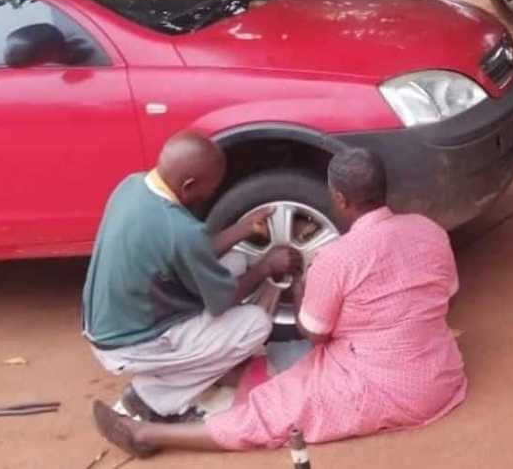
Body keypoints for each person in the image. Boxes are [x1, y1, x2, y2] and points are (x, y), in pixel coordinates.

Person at [92, 148, 467, 456]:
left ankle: (148, 435)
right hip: (440, 374)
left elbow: (314, 334)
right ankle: (167, 388)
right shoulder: (428, 230)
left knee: (275, 412)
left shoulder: (337, 259)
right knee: (284, 363)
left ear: (338, 198)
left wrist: (303, 285)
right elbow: (444, 294)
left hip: (385, 387)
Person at [83, 131, 302, 424]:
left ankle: (184, 364)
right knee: (255, 325)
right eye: (210, 189)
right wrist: (266, 267)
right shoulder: (182, 231)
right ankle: (152, 400)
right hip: (133, 343)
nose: (211, 194)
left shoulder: (131, 186)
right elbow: (222, 302)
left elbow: (186, 250)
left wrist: (242, 229)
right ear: (188, 186)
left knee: (236, 260)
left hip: (107, 324)